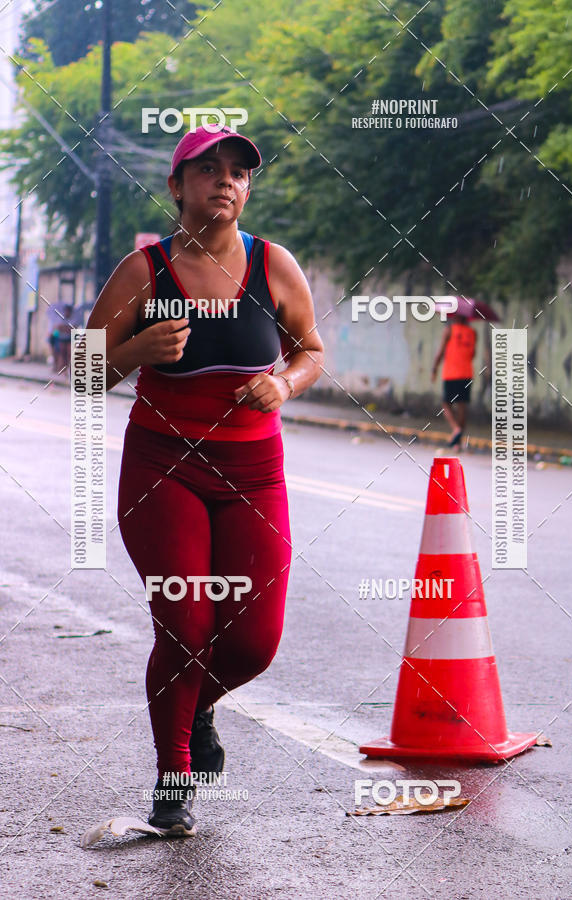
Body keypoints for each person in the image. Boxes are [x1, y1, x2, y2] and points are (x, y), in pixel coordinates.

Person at [86, 125, 324, 836]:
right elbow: (83, 369)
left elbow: (311, 350)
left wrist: (285, 383)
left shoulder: (274, 265)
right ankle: (175, 775)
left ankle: (196, 707)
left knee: (252, 642)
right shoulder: (144, 272)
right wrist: (136, 349)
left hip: (255, 472)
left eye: (239, 173)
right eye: (209, 170)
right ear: (176, 186)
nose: (226, 182)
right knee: (187, 624)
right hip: (165, 469)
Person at [431, 314, 476, 448]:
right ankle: (458, 443)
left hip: (451, 374)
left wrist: (434, 369)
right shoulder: (473, 333)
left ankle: (456, 429)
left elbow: (440, 352)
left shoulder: (449, 330)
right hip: (466, 373)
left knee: (446, 405)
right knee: (462, 406)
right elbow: (473, 354)